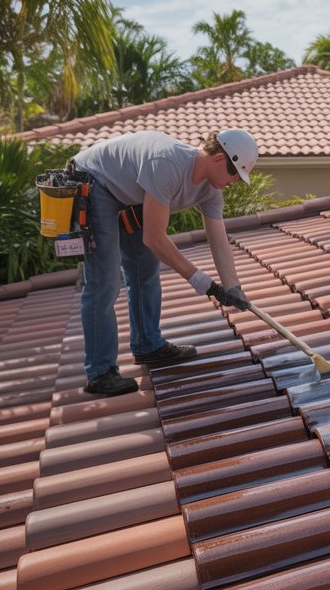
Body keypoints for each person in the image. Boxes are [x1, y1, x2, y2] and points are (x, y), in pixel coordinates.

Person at [70, 129, 256, 396]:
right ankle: (100, 373)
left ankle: (148, 345)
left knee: (143, 268)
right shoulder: (168, 165)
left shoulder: (210, 191)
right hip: (95, 182)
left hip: (127, 194)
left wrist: (233, 287)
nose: (235, 181)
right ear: (218, 160)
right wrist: (202, 281)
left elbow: (218, 238)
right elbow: (154, 238)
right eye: (234, 173)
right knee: (106, 281)